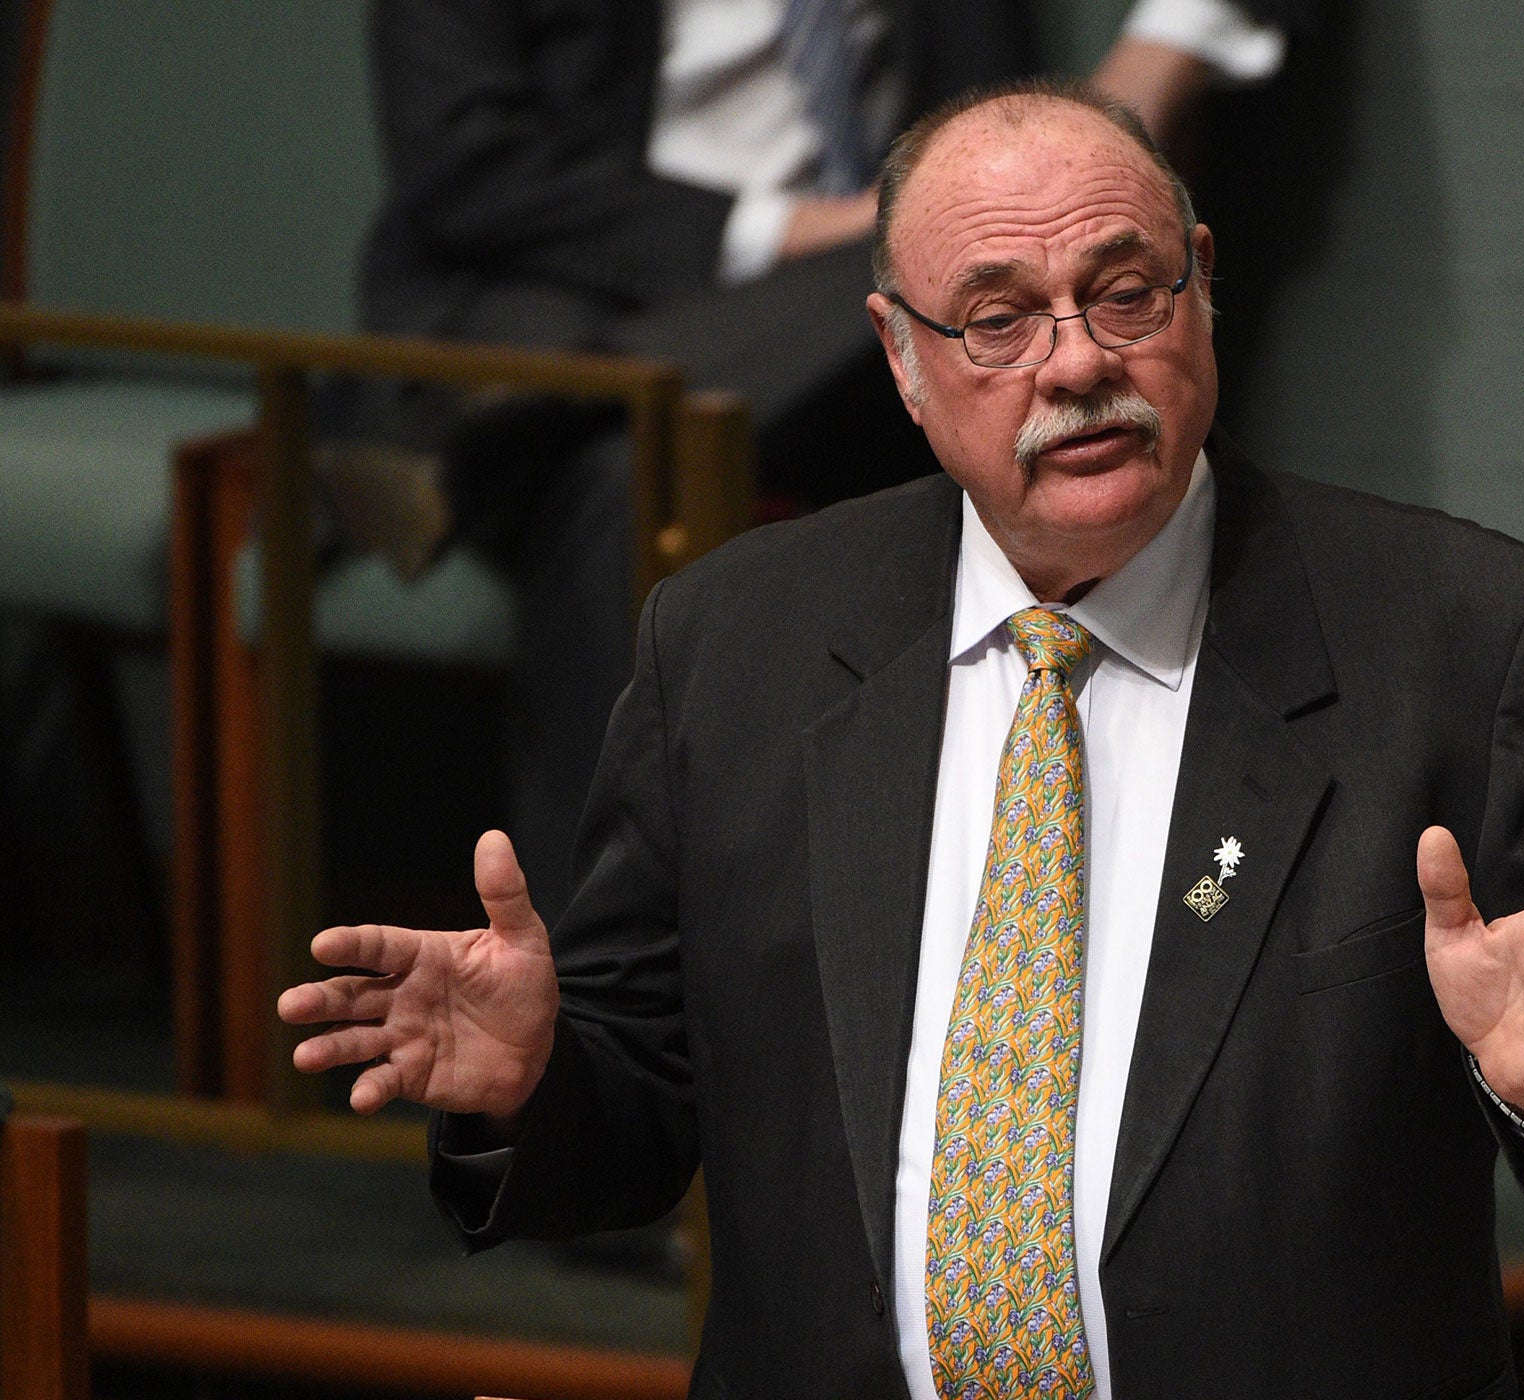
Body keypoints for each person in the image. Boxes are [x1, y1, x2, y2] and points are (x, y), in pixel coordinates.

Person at [285, 82, 1524, 1400]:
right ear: (902, 358)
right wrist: (532, 1085)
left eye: (1126, 292)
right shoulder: (737, 645)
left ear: (1201, 286)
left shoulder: (1453, 640)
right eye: (998, 320)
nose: (1075, 363)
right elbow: (635, 1108)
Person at [344, 0, 1310, 924]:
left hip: (856, 321)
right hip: (572, 287)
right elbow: (470, 169)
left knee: (941, 288)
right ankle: (592, 1005)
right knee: (620, 484)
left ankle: (490, 433)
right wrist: (787, 231)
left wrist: (1152, 58)